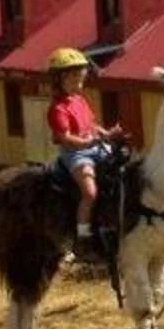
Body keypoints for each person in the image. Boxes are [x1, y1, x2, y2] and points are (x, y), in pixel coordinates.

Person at [45, 48, 122, 250]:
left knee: (120, 168)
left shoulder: (79, 100)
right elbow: (65, 137)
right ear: (59, 80)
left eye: (80, 79)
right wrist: (87, 144)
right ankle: (83, 235)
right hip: (76, 153)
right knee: (89, 192)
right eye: (73, 79)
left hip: (94, 145)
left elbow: (91, 126)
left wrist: (105, 133)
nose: (79, 83)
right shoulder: (58, 109)